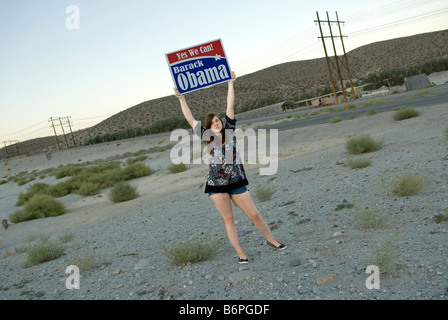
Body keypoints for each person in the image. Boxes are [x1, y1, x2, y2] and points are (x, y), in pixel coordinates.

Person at [173, 71, 286, 264]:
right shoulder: (206, 137)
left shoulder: (230, 132)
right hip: (217, 184)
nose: (216, 123)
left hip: (237, 180)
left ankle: (272, 240)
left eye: (218, 120)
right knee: (229, 219)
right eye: (212, 122)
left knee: (254, 214)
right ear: (208, 127)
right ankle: (241, 253)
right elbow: (191, 119)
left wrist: (230, 84)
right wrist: (182, 99)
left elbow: (230, 106)